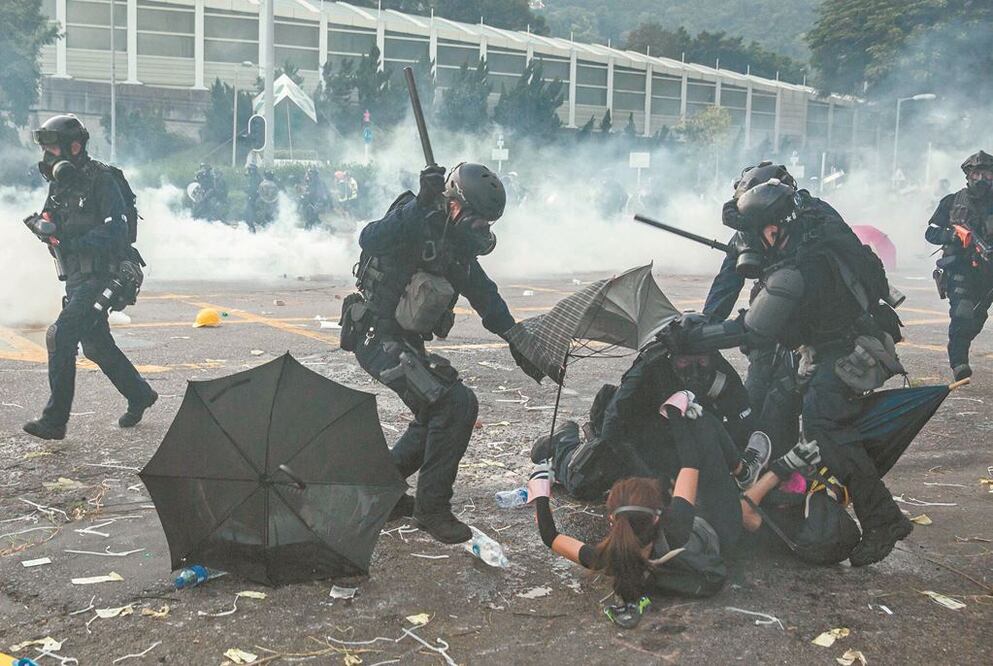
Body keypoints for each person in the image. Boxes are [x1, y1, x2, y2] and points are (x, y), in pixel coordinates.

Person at [674, 179, 913, 566]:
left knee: (824, 424)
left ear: (774, 227)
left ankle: (884, 519)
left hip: (848, 349)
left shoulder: (799, 266)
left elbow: (753, 330)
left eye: (757, 234)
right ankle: (780, 492)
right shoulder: (808, 227)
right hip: (829, 342)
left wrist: (696, 336)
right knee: (779, 402)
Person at [340, 162, 542, 543]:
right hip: (376, 335)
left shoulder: (455, 247)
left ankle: (379, 489)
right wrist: (419, 205)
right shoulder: (415, 216)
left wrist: (516, 337)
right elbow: (370, 238)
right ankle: (431, 509)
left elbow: (483, 292)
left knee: (437, 407)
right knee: (454, 404)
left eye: (488, 224)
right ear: (454, 203)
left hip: (405, 340)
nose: (481, 230)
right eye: (477, 219)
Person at [528, 392, 781, 628]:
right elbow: (691, 462)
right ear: (660, 513)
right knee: (705, 426)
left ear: (611, 519)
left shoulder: (608, 559)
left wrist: (541, 489)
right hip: (719, 532)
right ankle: (748, 471)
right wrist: (674, 411)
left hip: (689, 537)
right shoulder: (677, 525)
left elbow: (550, 537)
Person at [22, 114, 157, 440]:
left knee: (61, 335)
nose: (49, 155)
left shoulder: (102, 179)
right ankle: (140, 395)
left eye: (53, 147)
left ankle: (55, 422)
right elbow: (49, 217)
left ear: (75, 146)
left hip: (104, 274)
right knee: (96, 346)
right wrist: (44, 228)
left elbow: (117, 231)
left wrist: (71, 240)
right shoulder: (60, 183)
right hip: (77, 278)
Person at [703, 162, 844, 458]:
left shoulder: (816, 221)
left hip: (822, 329)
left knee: (808, 411)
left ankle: (800, 470)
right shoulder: (753, 225)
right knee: (754, 397)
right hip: (772, 318)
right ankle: (763, 466)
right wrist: (706, 328)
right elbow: (728, 280)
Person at [925, 150, 993, 380]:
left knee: (977, 317)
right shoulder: (953, 201)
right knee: (962, 313)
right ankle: (959, 362)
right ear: (968, 176)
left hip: (989, 271)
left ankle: (960, 344)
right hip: (960, 268)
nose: (982, 179)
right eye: (977, 174)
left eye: (987, 174)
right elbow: (930, 232)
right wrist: (953, 236)